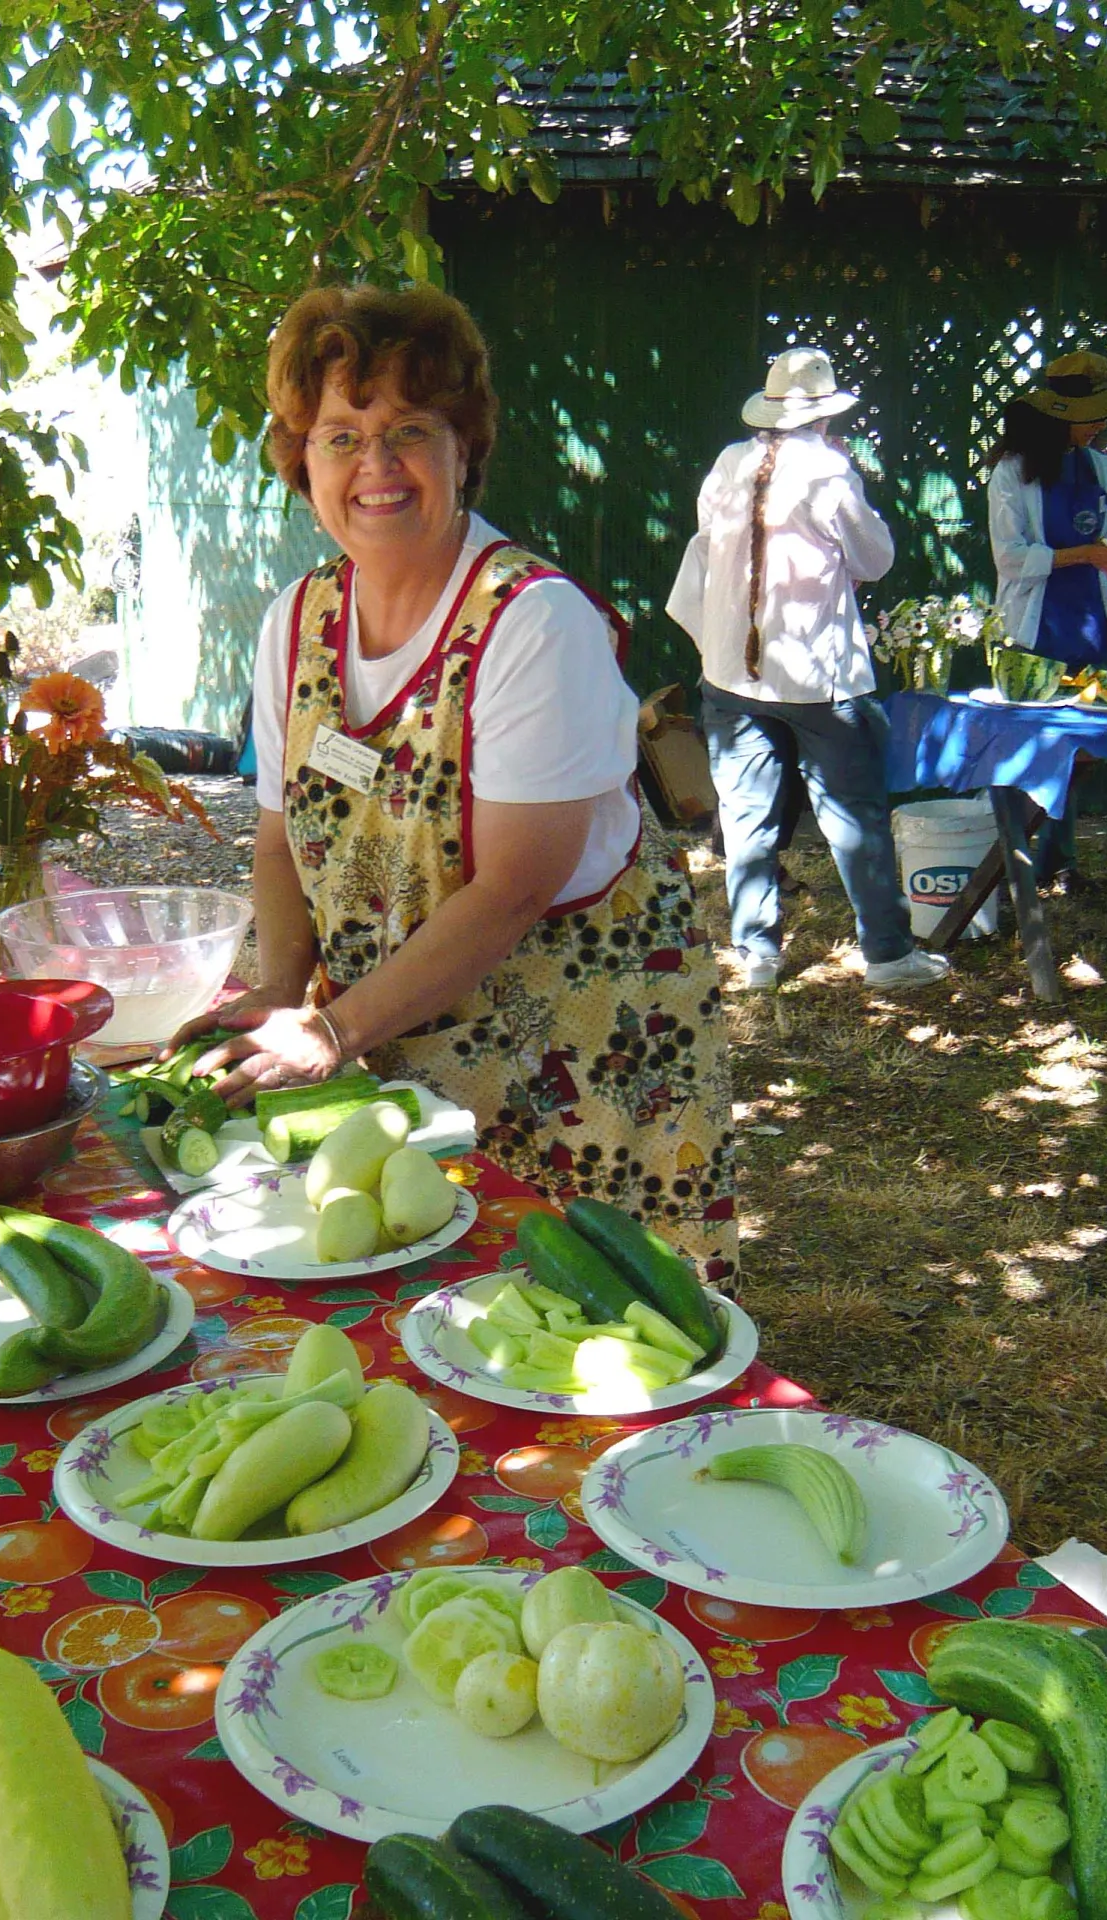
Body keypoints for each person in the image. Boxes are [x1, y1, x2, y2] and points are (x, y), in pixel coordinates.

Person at [167, 285, 736, 1284]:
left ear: (462, 449)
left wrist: (335, 1028)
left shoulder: (532, 622)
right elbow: (275, 837)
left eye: (407, 431)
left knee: (598, 1324)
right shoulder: (294, 622)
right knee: (429, 1316)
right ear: (300, 460)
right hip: (399, 1035)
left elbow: (512, 891)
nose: (374, 468)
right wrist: (276, 988)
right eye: (340, 435)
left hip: (584, 1055)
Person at [668, 348, 949, 992]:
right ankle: (886, 955)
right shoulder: (829, 471)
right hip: (819, 678)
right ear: (823, 418)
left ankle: (758, 956)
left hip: (732, 675)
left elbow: (710, 543)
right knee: (853, 817)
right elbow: (874, 559)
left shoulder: (729, 464)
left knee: (745, 817)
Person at [985, 350, 1107, 891]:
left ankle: (1061, 860)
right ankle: (1012, 860)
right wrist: (1084, 555)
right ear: (1058, 413)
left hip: (1090, 625)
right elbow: (1011, 557)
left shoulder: (1097, 463)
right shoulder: (1011, 472)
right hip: (1036, 631)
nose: (1100, 424)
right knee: (1029, 750)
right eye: (1092, 414)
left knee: (1081, 752)